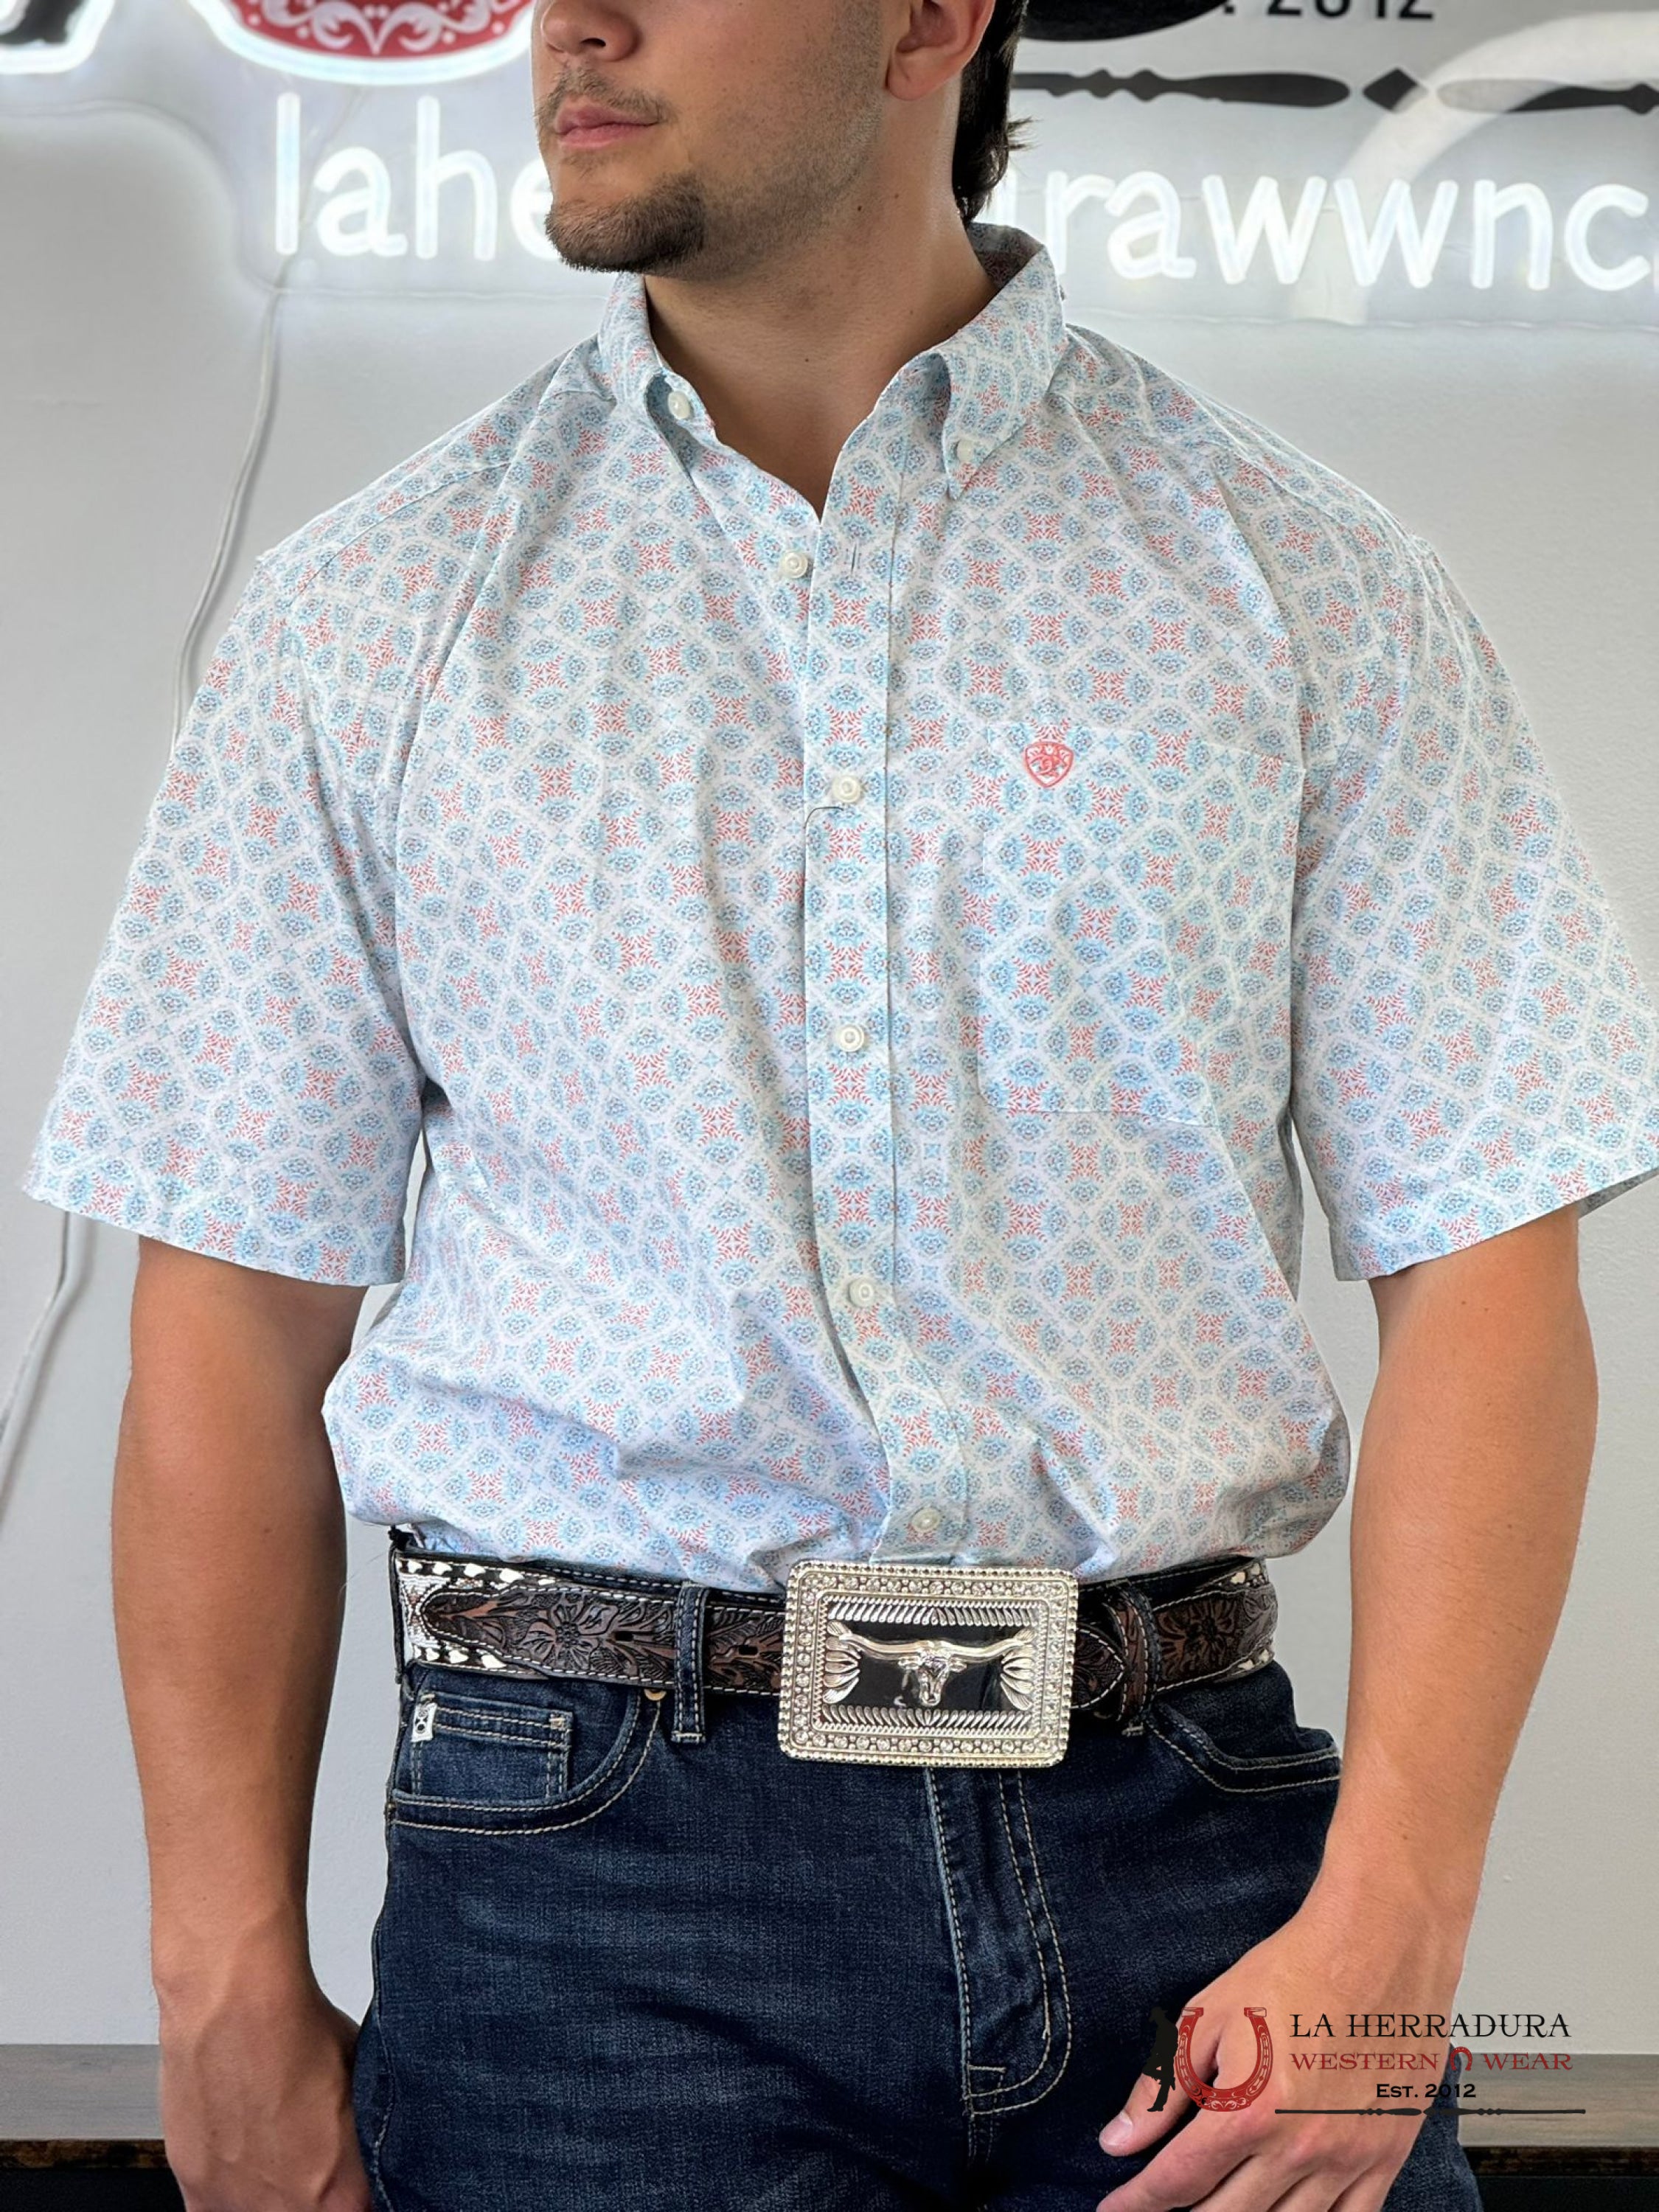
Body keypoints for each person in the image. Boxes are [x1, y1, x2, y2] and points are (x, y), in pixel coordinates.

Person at [20, 0, 1659, 2206]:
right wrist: (220, 1973)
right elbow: (229, 1312)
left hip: (1200, 1862)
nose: (570, 23)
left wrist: (1401, 1922)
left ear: (926, 18)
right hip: (590, 1898)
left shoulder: (1311, 590)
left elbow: (1486, 1268)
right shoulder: (372, 618)